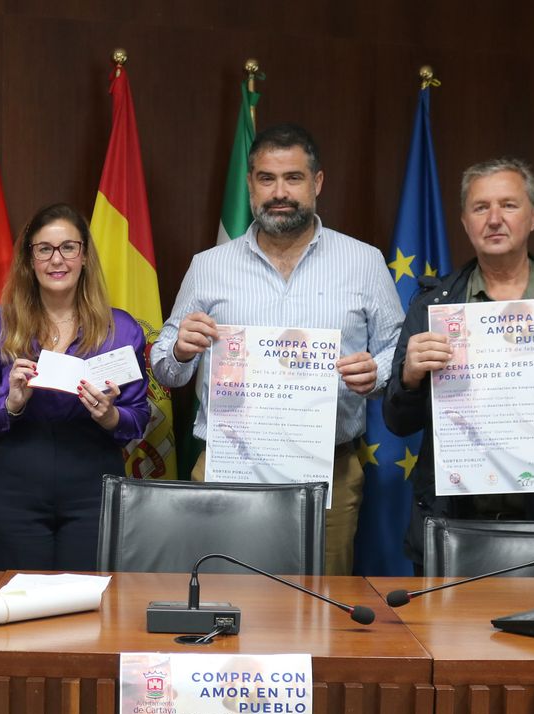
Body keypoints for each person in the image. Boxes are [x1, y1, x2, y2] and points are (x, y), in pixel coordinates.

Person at [150, 124, 404, 574]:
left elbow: (396, 350)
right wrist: (182, 352)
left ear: (317, 183)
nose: (279, 192)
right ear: (250, 184)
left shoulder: (363, 261)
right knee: (222, 598)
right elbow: (165, 366)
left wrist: (376, 372)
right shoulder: (209, 267)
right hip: (228, 466)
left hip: (328, 470)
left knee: (322, 608)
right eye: (266, 178)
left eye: (293, 178)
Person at [382, 158, 534, 567]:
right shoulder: (433, 307)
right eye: (481, 208)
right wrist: (407, 379)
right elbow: (396, 421)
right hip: (454, 523)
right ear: (464, 221)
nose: (494, 219)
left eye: (509, 206)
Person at [0, 203, 150, 570]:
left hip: (94, 482)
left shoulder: (121, 329)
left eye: (68, 247)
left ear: (84, 256)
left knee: (86, 603)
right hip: (17, 483)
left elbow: (139, 419)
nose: (57, 259)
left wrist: (111, 415)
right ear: (29, 260)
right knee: (15, 600)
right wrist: (12, 403)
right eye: (44, 249)